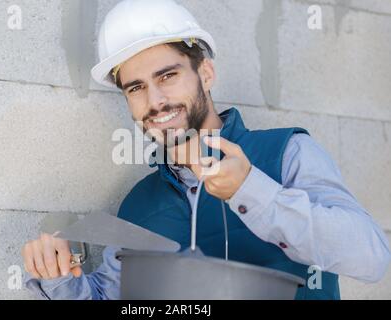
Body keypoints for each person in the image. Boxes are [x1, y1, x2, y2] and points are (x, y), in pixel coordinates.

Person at [22, 0, 390, 300]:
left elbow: (371, 257)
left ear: (207, 74)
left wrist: (250, 191)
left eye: (168, 76)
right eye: (135, 88)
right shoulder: (138, 204)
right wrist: (61, 280)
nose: (156, 101)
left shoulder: (286, 153)